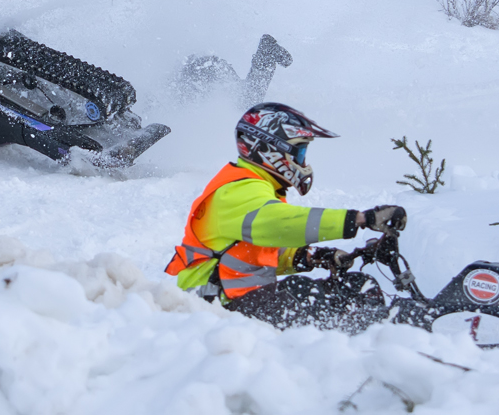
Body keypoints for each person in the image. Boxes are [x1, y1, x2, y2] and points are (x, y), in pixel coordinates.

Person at [164, 102, 408, 334]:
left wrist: (312, 257)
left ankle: (371, 348)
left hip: (235, 303)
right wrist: (360, 219)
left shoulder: (257, 187)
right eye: (299, 151)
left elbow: (257, 253)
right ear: (270, 149)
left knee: (354, 287)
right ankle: (369, 353)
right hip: (215, 311)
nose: (303, 162)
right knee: (342, 299)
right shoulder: (238, 189)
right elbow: (280, 223)